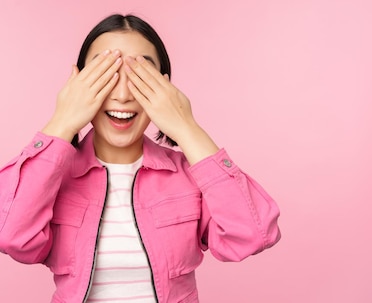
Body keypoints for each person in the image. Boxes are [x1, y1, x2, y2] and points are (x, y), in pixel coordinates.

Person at [0, 14, 281, 303]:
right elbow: (10, 235)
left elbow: (252, 235)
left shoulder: (188, 176)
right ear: (79, 86)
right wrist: (62, 121)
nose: (122, 95)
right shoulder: (52, 178)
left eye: (139, 77)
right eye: (105, 75)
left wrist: (187, 128)